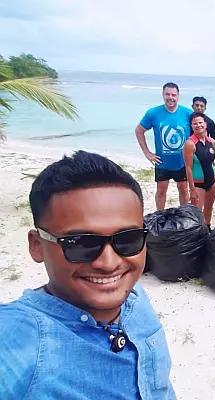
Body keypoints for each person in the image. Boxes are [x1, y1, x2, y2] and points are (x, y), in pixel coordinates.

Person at [0, 151, 175, 398]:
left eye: (128, 239)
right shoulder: (21, 339)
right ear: (37, 245)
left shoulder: (135, 299)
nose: (109, 263)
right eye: (81, 243)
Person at [135, 82, 192, 210]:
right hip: (162, 162)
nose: (170, 97)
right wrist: (147, 153)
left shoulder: (188, 113)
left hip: (182, 162)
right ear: (163, 95)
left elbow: (199, 130)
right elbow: (139, 131)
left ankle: (184, 215)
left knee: (183, 189)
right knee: (161, 191)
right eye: (167, 94)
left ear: (178, 96)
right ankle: (160, 215)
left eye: (173, 95)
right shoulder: (153, 113)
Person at [183, 112, 215, 229]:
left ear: (206, 124)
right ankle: (197, 234)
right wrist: (192, 189)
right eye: (195, 123)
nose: (198, 125)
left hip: (212, 182)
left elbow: (212, 161)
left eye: (200, 122)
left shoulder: (212, 142)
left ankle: (207, 229)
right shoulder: (190, 144)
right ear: (191, 126)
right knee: (197, 213)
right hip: (198, 184)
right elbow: (188, 167)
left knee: (209, 208)